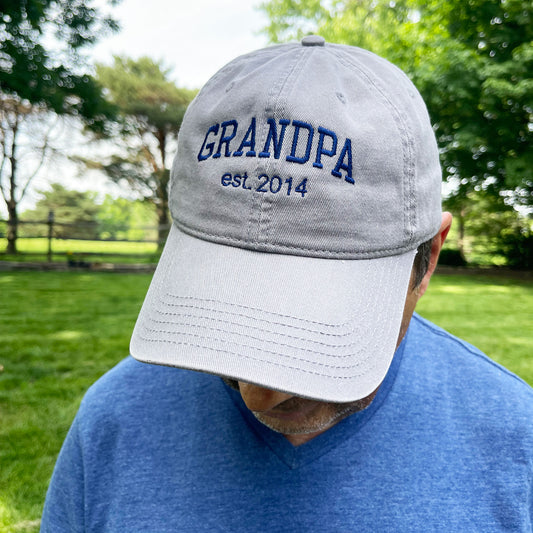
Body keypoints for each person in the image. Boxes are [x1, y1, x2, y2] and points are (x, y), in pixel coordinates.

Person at [41, 36, 532, 532]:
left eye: (321, 324)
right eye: (221, 307)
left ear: (427, 261)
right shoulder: (112, 423)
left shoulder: (515, 444)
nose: (257, 396)